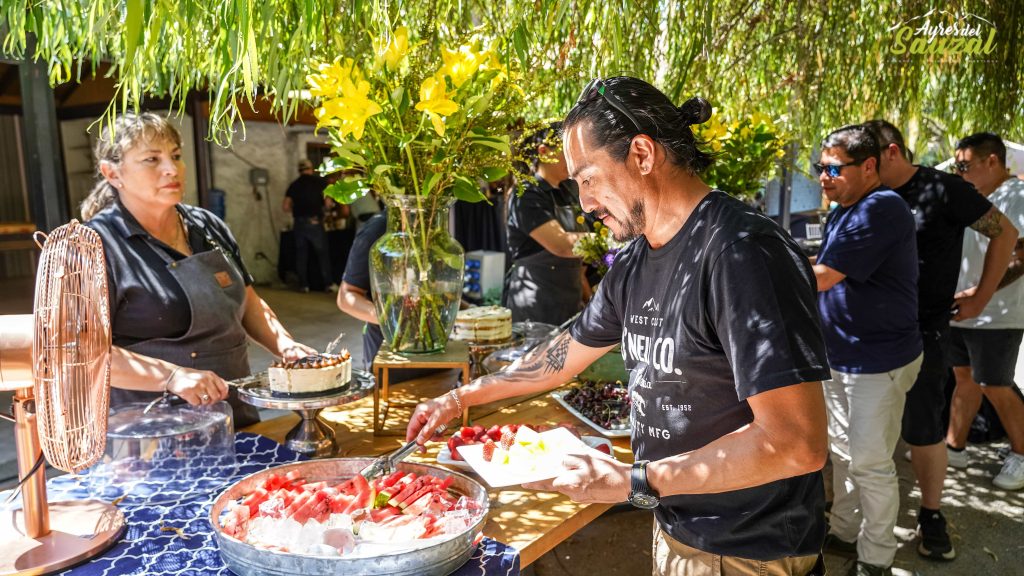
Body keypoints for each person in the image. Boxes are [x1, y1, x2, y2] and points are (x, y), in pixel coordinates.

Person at [409, 77, 831, 576]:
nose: (584, 203)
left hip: (747, 548)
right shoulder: (635, 261)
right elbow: (563, 354)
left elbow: (796, 443)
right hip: (679, 525)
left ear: (642, 154)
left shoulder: (742, 253)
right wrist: (460, 399)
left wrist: (633, 480)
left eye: (588, 178)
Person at [81, 112, 317, 428]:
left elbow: (248, 301)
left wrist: (286, 346)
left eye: (175, 156)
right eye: (152, 159)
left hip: (235, 416)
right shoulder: (94, 246)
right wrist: (173, 376)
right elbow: (84, 351)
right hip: (149, 435)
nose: (171, 169)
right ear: (112, 173)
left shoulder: (207, 226)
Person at [863, 120, 1018, 561]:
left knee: (923, 429)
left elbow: (1004, 233)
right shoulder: (865, 193)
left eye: (870, 159)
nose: (864, 168)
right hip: (867, 336)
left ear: (892, 152)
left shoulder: (944, 189)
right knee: (868, 432)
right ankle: (864, 522)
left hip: (925, 331)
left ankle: (930, 514)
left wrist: (983, 295)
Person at [811, 126, 923, 576]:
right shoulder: (846, 207)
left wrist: (754, 270)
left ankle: (876, 558)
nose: (823, 176)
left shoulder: (881, 208)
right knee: (842, 452)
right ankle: (842, 531)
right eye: (820, 168)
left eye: (834, 168)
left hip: (878, 362)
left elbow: (822, 276)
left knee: (872, 464)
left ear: (870, 166)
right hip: (841, 357)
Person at [946, 132, 1024, 489]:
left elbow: (1022, 257)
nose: (959, 173)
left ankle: (1021, 455)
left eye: (964, 165)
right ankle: (954, 446)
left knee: (996, 385)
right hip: (966, 310)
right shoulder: (978, 197)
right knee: (965, 379)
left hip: (999, 313)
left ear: (991, 161)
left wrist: (979, 293)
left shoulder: (1018, 196)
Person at [504, 121, 591, 325]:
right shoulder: (526, 194)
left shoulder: (568, 192)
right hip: (534, 307)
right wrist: (609, 243)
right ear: (543, 151)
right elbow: (561, 245)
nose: (574, 159)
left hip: (569, 304)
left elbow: (578, 263)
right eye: (567, 152)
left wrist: (589, 302)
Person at [283, 158, 337, 293]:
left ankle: (304, 285)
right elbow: (328, 203)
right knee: (322, 254)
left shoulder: (293, 185)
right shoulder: (320, 183)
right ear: (311, 168)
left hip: (299, 223)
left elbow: (285, 206)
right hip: (315, 222)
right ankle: (328, 284)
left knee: (301, 255)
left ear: (299, 170)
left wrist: (298, 211)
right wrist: (325, 211)